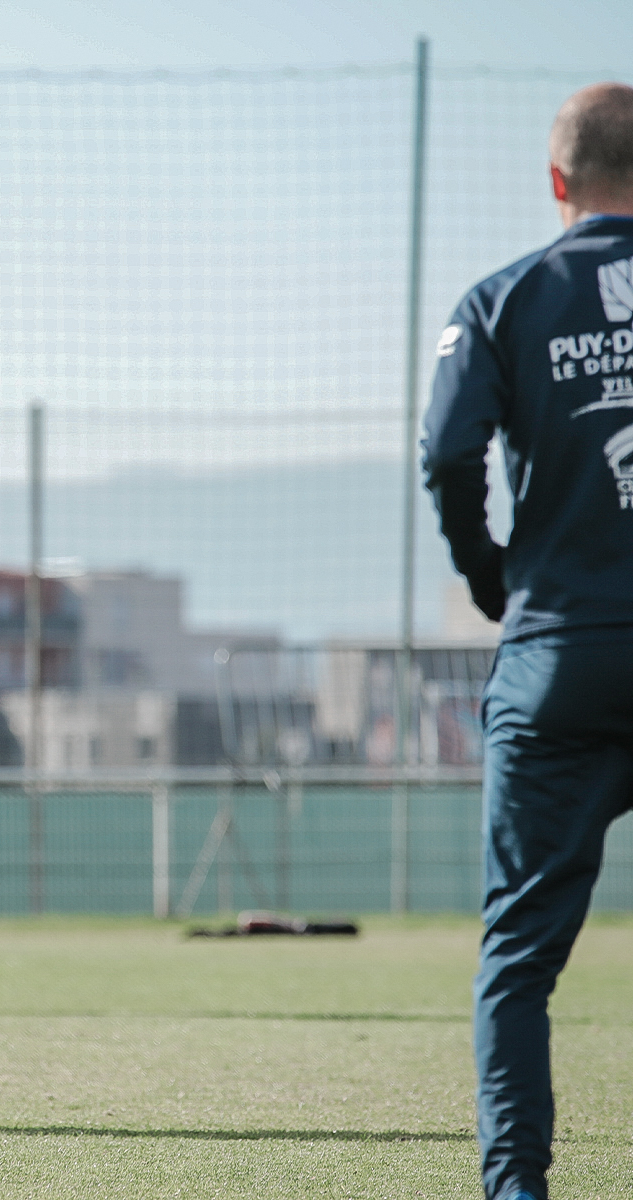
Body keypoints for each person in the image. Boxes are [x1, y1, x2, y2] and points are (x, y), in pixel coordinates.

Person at [423, 83, 633, 1200]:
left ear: (557, 181)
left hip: (557, 655)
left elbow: (447, 457)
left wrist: (489, 576)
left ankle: (518, 1191)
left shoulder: (503, 300)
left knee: (517, 962)